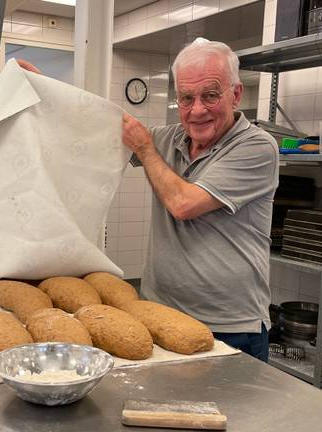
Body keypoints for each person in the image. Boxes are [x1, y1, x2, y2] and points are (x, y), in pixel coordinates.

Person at [120, 38, 278, 361]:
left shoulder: (257, 148)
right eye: (186, 98)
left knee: (234, 413)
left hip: (230, 329)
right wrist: (46, 95)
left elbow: (183, 204)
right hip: (160, 316)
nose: (197, 110)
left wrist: (145, 149)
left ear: (235, 94)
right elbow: (99, 129)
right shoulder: (170, 138)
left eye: (210, 95)